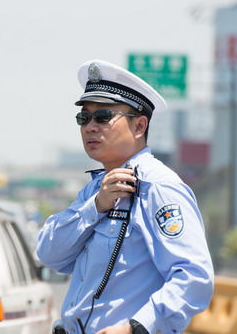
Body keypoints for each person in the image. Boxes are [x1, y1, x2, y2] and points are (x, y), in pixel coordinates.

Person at [36, 60, 214, 334]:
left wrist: (135, 327)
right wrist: (95, 207)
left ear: (139, 126)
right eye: (84, 118)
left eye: (103, 117)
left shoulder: (158, 186)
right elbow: (50, 253)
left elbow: (194, 277)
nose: (90, 127)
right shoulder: (96, 189)